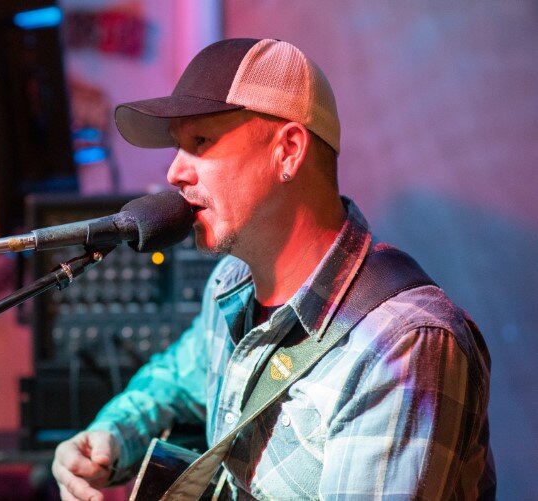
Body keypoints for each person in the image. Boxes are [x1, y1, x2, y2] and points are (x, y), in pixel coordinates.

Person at [51, 38, 496, 500]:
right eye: (177, 148)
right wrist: (111, 435)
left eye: (199, 141)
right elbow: (176, 377)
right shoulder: (232, 281)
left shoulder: (400, 344)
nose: (174, 173)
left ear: (287, 151)